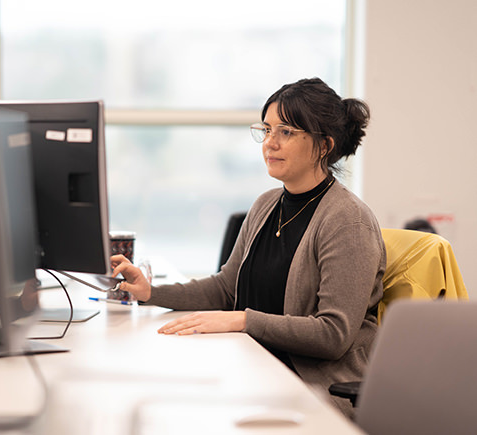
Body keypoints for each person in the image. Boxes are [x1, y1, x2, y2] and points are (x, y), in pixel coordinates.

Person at [111, 77, 386, 417]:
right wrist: (151, 293)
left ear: (325, 145)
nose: (269, 143)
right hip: (254, 369)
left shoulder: (347, 222)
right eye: (267, 130)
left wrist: (242, 320)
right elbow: (226, 288)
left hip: (314, 389)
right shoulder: (266, 205)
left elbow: (333, 334)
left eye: (285, 132)